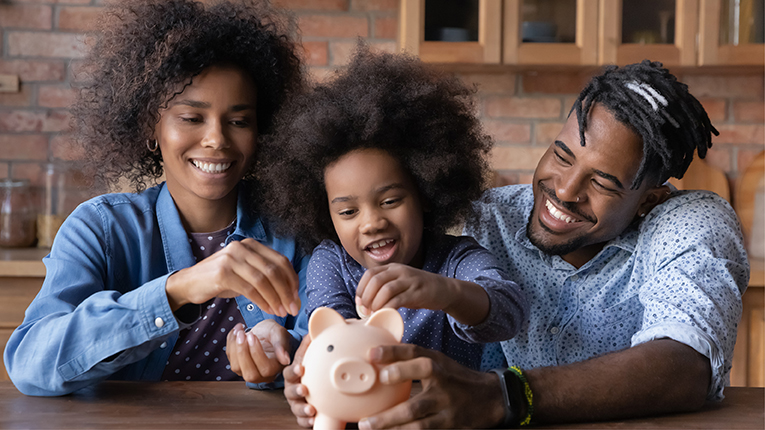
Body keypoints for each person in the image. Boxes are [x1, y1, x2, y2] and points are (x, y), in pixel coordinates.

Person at [283, 60, 749, 428]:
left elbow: (684, 366)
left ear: (649, 198)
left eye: (602, 183)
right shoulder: (492, 216)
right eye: (562, 155)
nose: (564, 191)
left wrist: (504, 395)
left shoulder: (692, 221)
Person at [4, 0, 309, 396]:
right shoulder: (101, 229)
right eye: (191, 118)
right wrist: (179, 289)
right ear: (152, 125)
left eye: (239, 121)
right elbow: (31, 363)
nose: (216, 138)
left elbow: (330, 344)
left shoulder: (296, 228)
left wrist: (289, 354)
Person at [256, 45, 528, 386]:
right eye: (349, 211)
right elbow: (330, 329)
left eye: (389, 201)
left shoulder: (457, 260)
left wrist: (443, 292)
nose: (371, 223)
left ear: (426, 194)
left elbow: (509, 313)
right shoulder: (332, 262)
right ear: (325, 214)